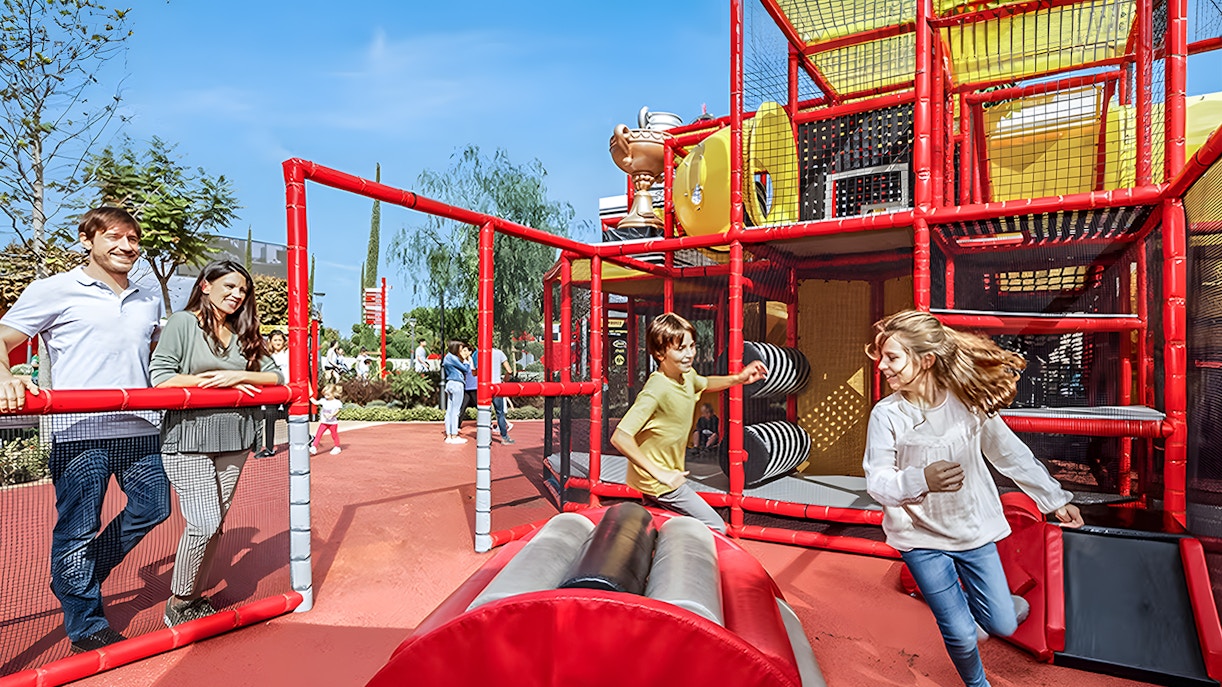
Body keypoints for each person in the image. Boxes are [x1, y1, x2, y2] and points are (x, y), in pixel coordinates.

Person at [861, 310, 1084, 687]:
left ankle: (999, 610)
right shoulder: (887, 414)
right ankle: (977, 684)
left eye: (893, 357)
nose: (882, 366)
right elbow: (877, 481)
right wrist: (920, 479)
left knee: (1002, 623)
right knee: (962, 634)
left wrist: (1053, 498)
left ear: (926, 360)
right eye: (882, 356)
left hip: (971, 530)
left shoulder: (966, 403)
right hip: (918, 538)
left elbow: (1009, 453)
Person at [0, 206, 171, 652]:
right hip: (80, 429)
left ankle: (77, 576)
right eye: (114, 236)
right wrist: (5, 376)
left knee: (155, 506)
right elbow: (3, 338)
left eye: (133, 239)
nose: (126, 246)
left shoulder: (147, 297)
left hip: (137, 427)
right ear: (86, 240)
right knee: (77, 528)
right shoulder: (54, 289)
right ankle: (86, 624)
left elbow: (154, 358)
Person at [150, 259, 283, 628]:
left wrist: (241, 374)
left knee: (217, 522)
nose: (237, 296)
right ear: (206, 285)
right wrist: (219, 382)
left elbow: (276, 375)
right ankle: (179, 601)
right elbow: (160, 378)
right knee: (205, 522)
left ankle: (194, 595)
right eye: (229, 287)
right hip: (189, 437)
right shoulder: (184, 323)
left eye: (242, 290)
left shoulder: (243, 332)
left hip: (236, 436)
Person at [610, 313, 766, 534]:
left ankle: (651, 544)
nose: (689, 354)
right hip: (659, 480)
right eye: (680, 348)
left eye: (692, 346)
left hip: (657, 477)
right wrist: (660, 473)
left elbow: (704, 383)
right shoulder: (656, 390)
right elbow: (620, 436)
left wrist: (738, 378)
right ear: (659, 353)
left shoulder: (687, 376)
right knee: (716, 526)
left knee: (658, 519)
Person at [256, 330, 290, 458]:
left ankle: (305, 437)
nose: (277, 342)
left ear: (284, 341)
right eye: (275, 340)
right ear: (270, 341)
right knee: (270, 417)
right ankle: (269, 448)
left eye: (280, 340)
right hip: (271, 389)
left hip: (286, 387)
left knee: (289, 415)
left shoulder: (288, 354)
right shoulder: (267, 356)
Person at [441, 341, 471, 444]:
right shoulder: (452, 358)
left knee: (450, 411)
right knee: (455, 411)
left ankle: (449, 435)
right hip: (457, 384)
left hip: (450, 383)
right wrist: (467, 360)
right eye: (461, 348)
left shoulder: (448, 357)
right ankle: (454, 435)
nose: (462, 350)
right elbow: (466, 369)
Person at [490, 346, 515, 444]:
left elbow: (474, 372)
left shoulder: (478, 353)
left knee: (485, 412)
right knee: (500, 413)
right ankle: (504, 437)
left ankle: (486, 438)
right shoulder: (499, 353)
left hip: (484, 386)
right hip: (497, 386)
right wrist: (505, 380)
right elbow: (509, 370)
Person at [309, 384, 343, 455]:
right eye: (325, 395)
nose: (326, 396)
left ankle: (337, 447)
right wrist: (309, 396)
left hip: (333, 423)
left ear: (333, 394)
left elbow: (338, 410)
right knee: (318, 434)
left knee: (334, 435)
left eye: (328, 395)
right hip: (324, 422)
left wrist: (332, 415)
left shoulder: (337, 402)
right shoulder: (323, 400)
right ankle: (314, 447)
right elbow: (315, 402)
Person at [458, 345, 478, 430]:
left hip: (474, 386)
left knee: (479, 406)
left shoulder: (473, 360)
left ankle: (488, 422)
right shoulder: (462, 362)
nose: (464, 352)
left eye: (466, 351)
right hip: (466, 387)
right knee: (463, 406)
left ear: (470, 352)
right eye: (463, 351)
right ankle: (457, 425)